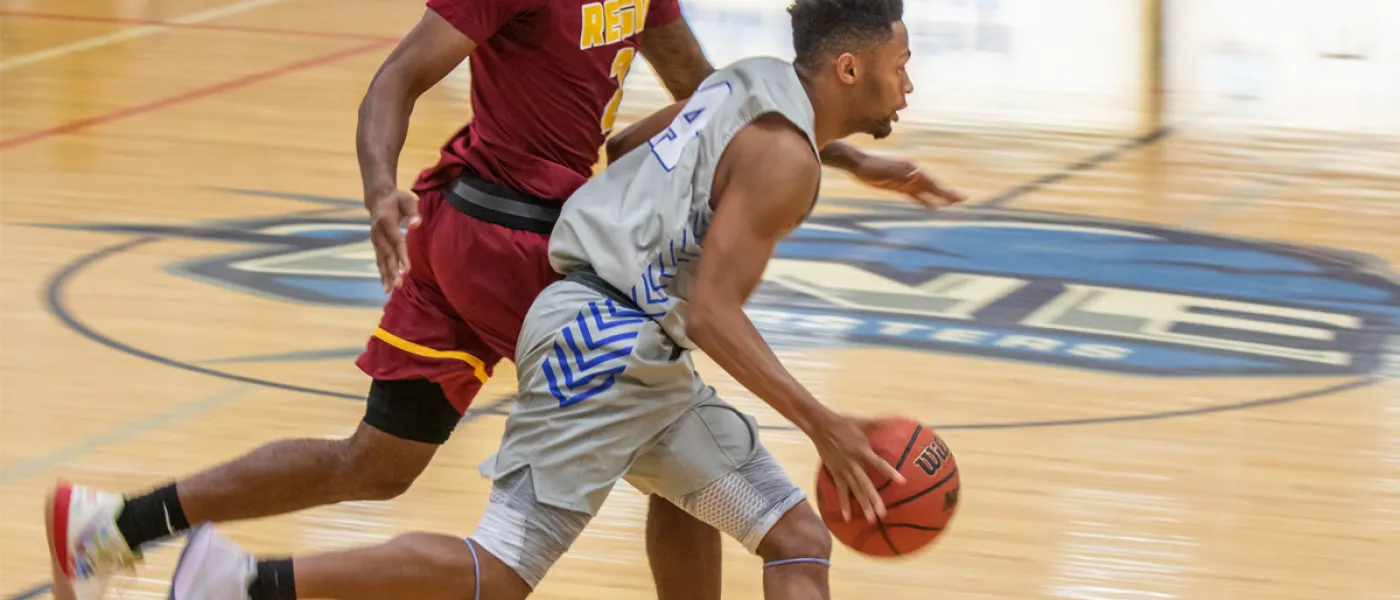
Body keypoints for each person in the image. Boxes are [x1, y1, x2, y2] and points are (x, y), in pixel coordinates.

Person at [47, 0, 962, 598]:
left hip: (472, 226)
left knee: (379, 460)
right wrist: (377, 189)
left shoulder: (717, 56)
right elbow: (396, 78)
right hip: (523, 249)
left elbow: (704, 108)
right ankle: (244, 586)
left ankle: (116, 527)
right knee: (606, 477)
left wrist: (847, 156)